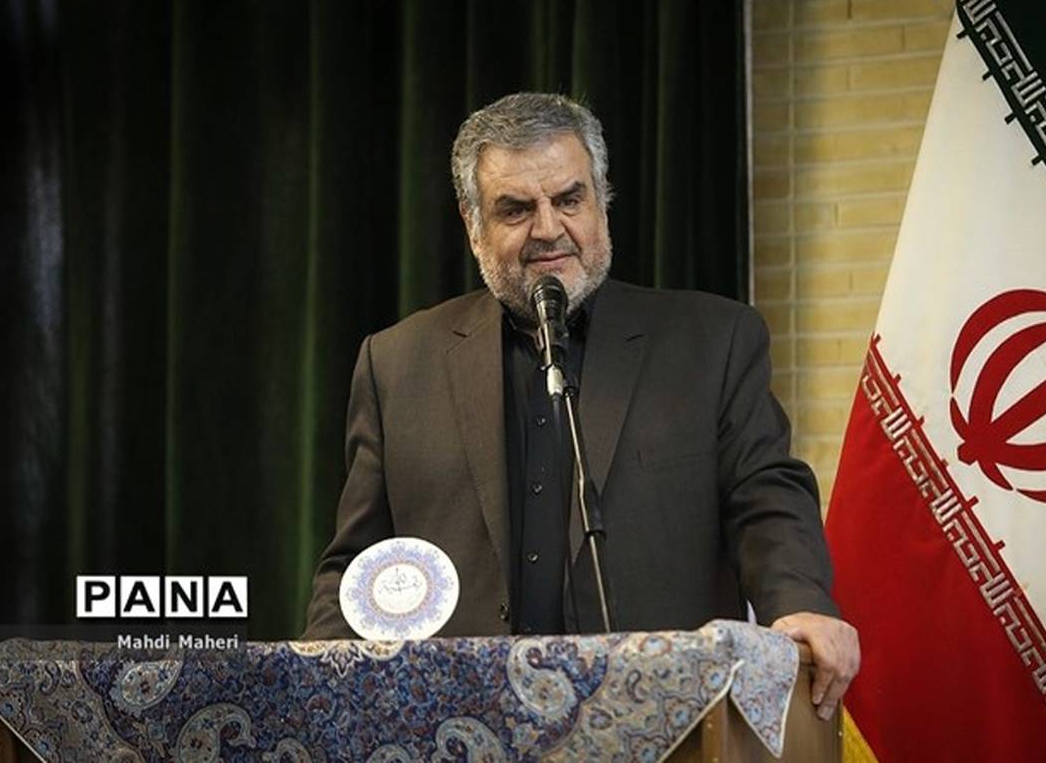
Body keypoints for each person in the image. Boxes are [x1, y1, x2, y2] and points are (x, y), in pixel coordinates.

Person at [303, 92, 859, 720]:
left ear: (601, 200)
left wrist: (800, 602)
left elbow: (766, 497)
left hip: (661, 720)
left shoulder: (712, 342)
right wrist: (317, 689)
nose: (548, 229)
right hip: (457, 723)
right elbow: (358, 565)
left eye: (569, 200)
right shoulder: (398, 363)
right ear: (472, 224)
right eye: (516, 209)